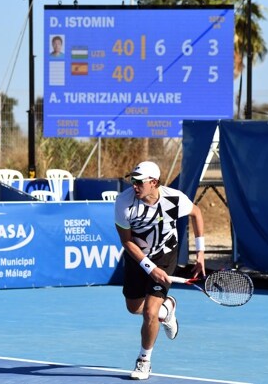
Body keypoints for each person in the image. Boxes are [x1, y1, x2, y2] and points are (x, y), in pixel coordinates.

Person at [114, 161, 205, 380]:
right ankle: (168, 309)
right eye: (132, 181)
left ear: (153, 183)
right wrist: (149, 267)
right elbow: (127, 242)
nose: (134, 186)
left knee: (149, 312)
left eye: (139, 182)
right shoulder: (124, 203)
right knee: (134, 308)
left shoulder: (174, 199)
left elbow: (197, 213)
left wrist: (200, 252)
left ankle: (144, 360)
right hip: (138, 257)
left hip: (165, 255)